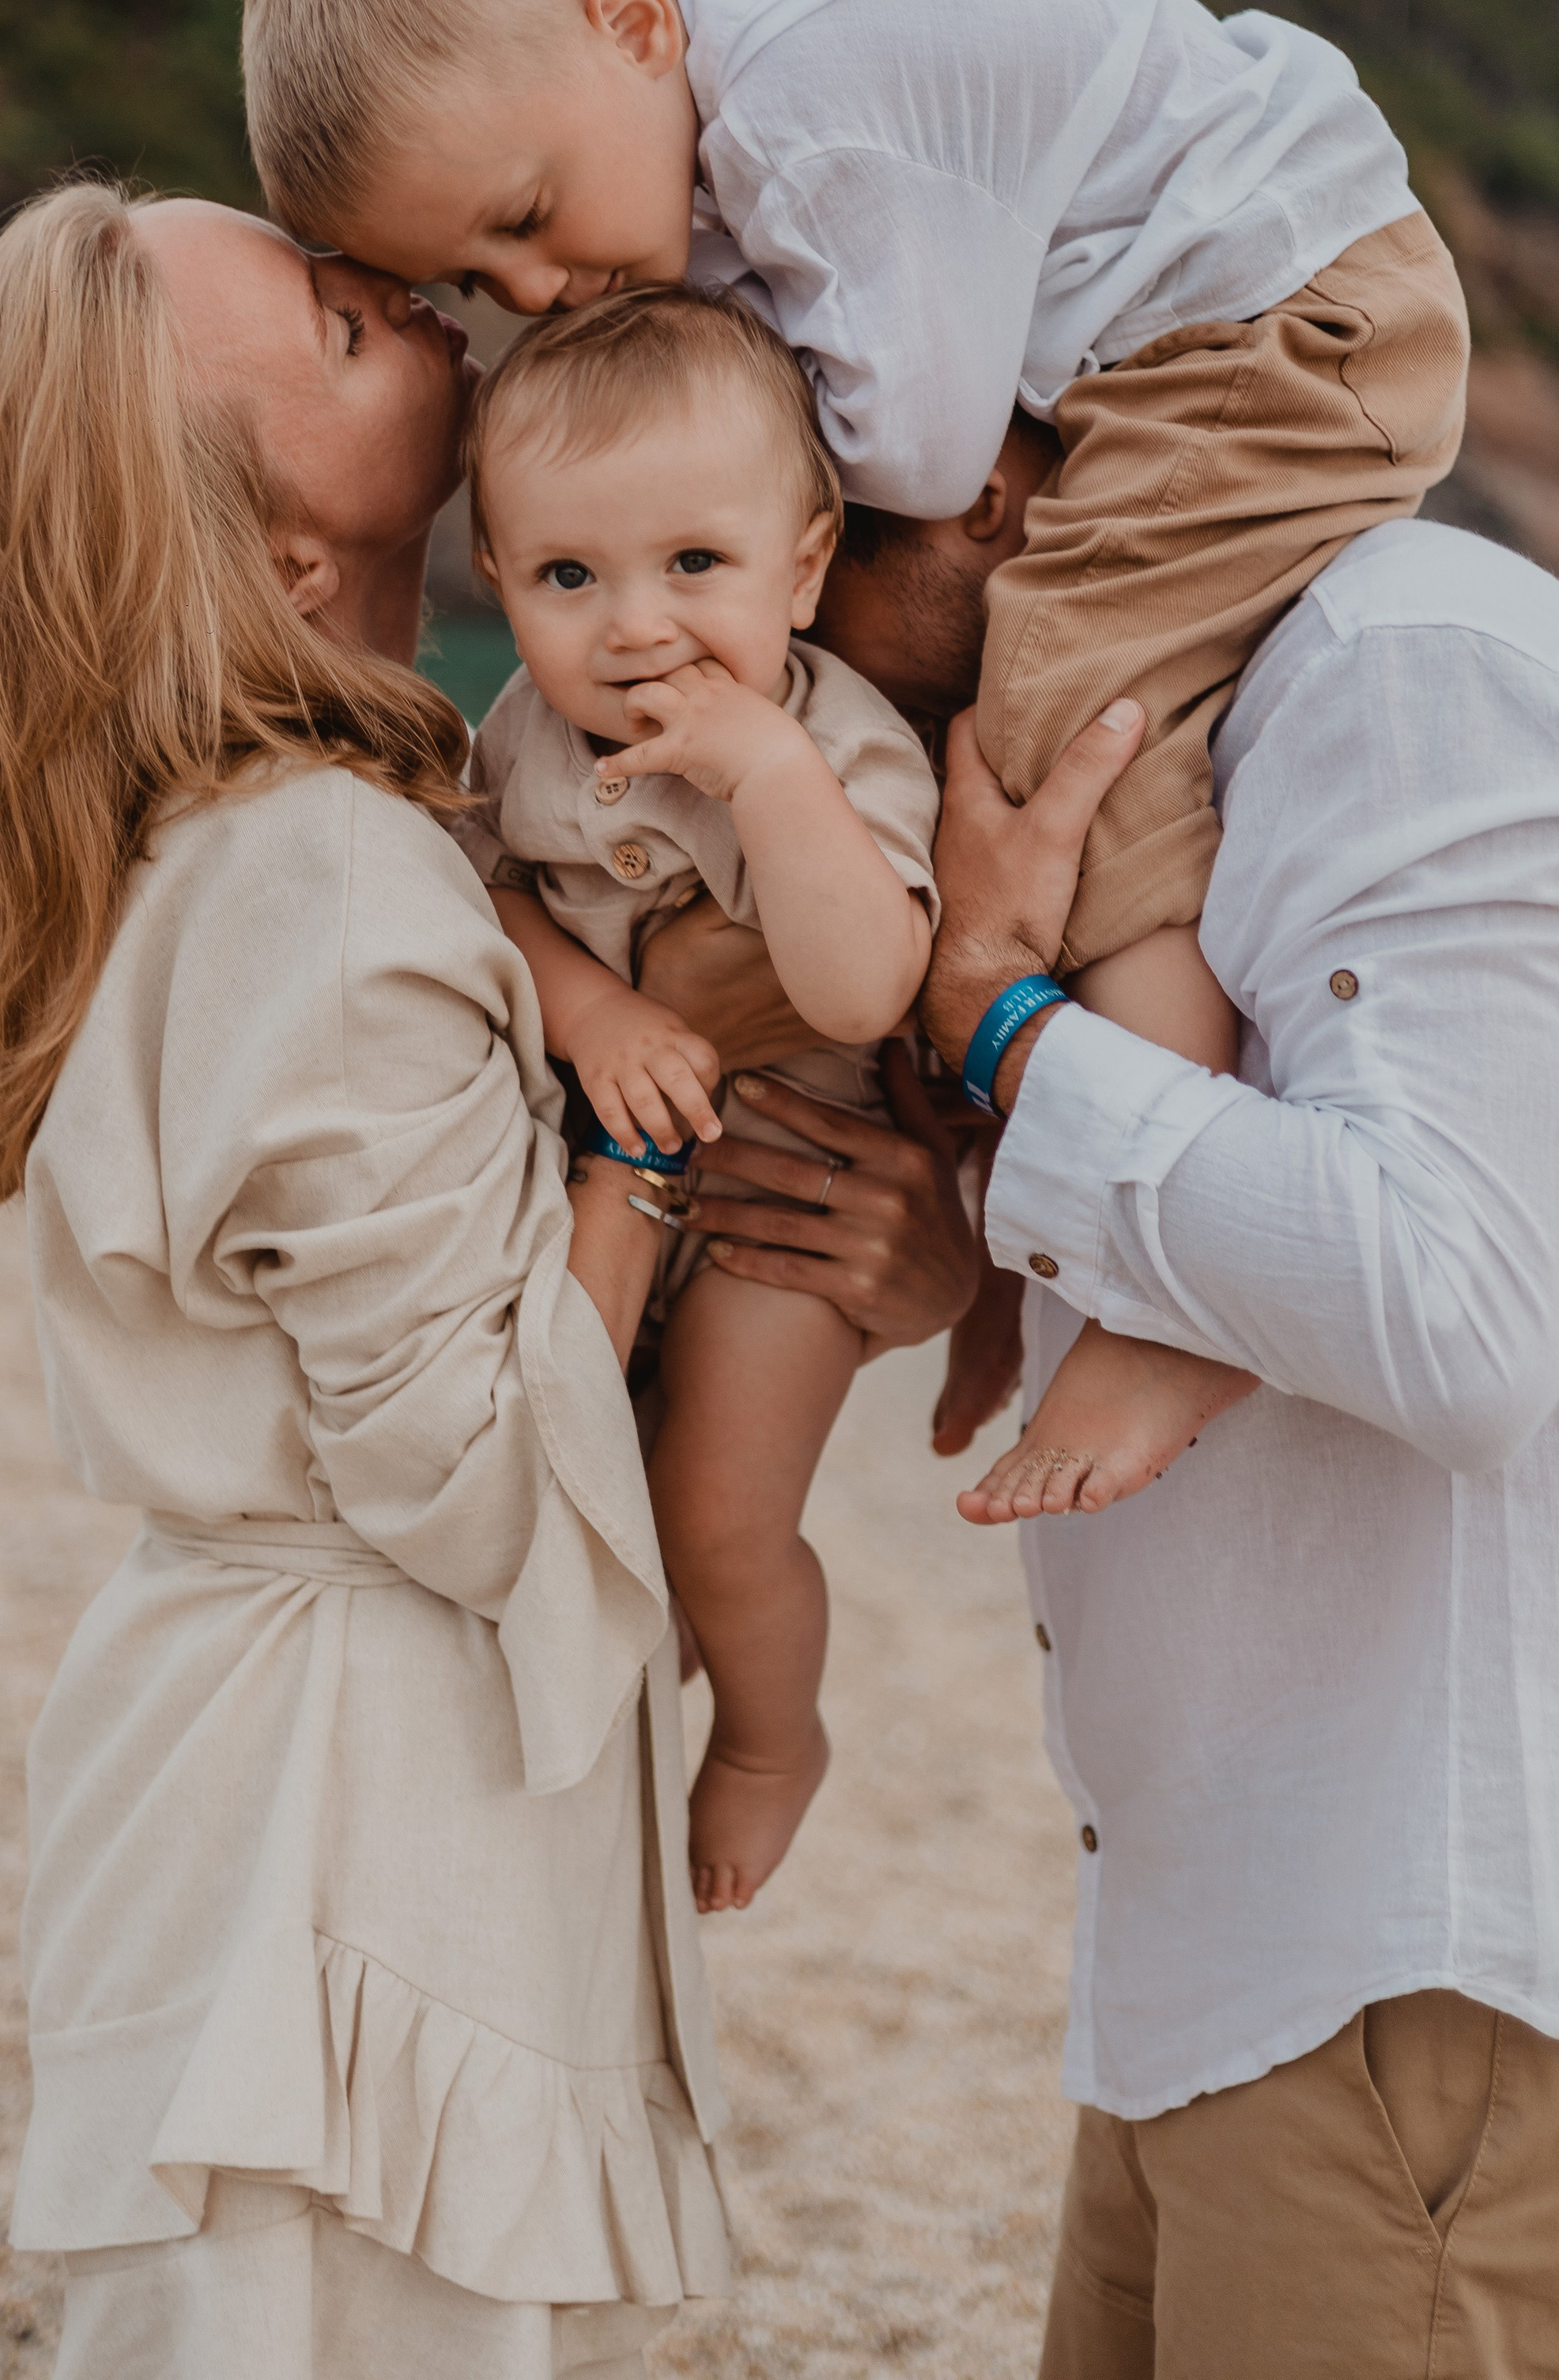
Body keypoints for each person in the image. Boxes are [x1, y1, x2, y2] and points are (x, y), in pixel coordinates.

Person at [0, 182, 730, 2380]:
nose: (412, 304)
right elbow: (457, 1466)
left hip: (243, 1745)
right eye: (347, 328)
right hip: (350, 1802)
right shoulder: (340, 876)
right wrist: (652, 1147)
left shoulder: (224, 841)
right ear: (266, 553)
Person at [804, 467, 1559, 2376]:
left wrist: (998, 1020)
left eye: (813, 517)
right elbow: (1291, 1217)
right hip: (1267, 1943)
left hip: (1422, 1962)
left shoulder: (1407, 675)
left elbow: (1450, 1310)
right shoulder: (1248, 716)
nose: (783, 586)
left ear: (978, 488)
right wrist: (976, 1251)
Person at [236, 0, 1468, 1109]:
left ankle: (1165, 1144)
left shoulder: (797, 112)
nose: (536, 290)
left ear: (632, 26)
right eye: (474, 277)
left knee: (1073, 698)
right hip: (1250, 302)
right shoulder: (717, 75)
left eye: (527, 219)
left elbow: (926, 459)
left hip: (1288, 324)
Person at [454, 281, 940, 1913]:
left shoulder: (832, 744)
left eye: (695, 567)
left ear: (803, 566)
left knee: (717, 1516)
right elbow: (482, 903)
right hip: (596, 1169)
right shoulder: (522, 736)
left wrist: (773, 785)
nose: (637, 628)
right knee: (574, 1492)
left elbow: (861, 988)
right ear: (497, 584)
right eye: (568, 577)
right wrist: (589, 1007)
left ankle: (767, 1737)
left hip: (776, 1207)